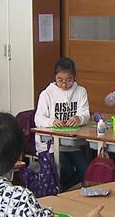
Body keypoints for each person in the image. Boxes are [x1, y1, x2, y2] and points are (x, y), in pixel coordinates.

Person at [34, 57, 91, 190]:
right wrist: (52, 121)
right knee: (65, 170)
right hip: (51, 145)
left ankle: (60, 190)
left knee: (87, 170)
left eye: (69, 80)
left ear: (74, 77)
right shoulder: (46, 94)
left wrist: (79, 118)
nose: (64, 84)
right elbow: (38, 118)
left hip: (73, 144)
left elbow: (86, 114)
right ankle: (59, 190)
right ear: (54, 77)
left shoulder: (80, 91)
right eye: (60, 80)